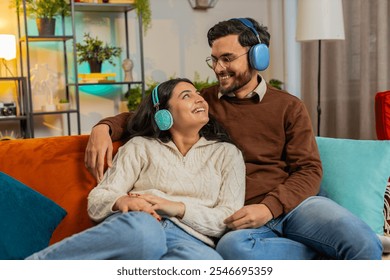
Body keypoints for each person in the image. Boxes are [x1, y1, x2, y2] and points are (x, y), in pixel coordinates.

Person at [85, 18, 383, 260]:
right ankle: (316, 257)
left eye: (227, 58)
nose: (218, 68)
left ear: (257, 55)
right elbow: (154, 111)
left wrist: (269, 207)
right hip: (239, 217)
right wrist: (105, 127)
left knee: (362, 242)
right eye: (213, 59)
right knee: (233, 250)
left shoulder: (289, 106)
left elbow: (309, 170)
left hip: (296, 207)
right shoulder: (205, 103)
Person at [26, 78, 245, 260]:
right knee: (145, 234)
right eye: (186, 95)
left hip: (191, 240)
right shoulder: (140, 146)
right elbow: (98, 198)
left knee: (211, 265)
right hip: (141, 226)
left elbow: (228, 218)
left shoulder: (227, 154)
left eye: (198, 93)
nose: (199, 98)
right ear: (163, 114)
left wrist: (176, 207)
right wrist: (123, 201)